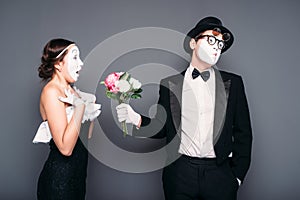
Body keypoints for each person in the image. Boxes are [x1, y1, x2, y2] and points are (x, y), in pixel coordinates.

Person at [116, 16, 252, 200]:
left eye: (220, 44)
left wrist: (236, 178)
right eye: (211, 40)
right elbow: (162, 127)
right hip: (180, 174)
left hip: (220, 174)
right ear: (193, 43)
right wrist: (136, 119)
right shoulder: (169, 84)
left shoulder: (234, 83)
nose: (216, 47)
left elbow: (244, 133)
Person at [34, 38, 101, 200]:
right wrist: (80, 108)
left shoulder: (73, 92)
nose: (81, 63)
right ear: (58, 64)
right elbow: (65, 148)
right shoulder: (51, 92)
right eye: (75, 57)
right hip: (59, 181)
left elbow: (86, 137)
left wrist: (89, 108)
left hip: (77, 178)